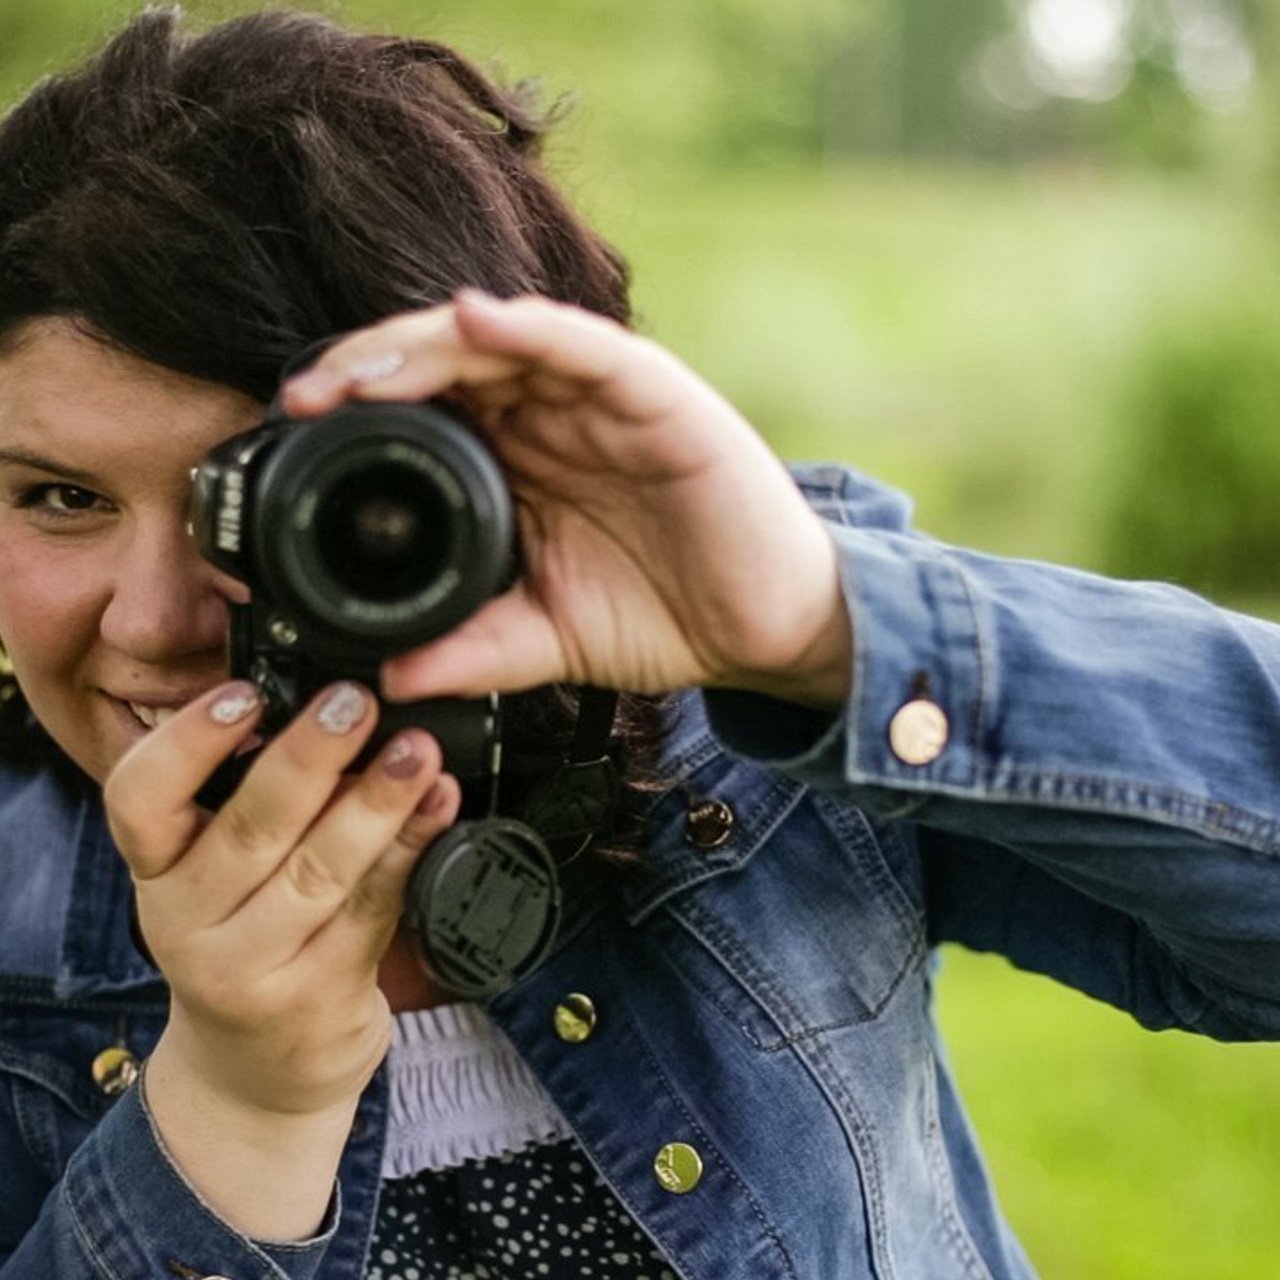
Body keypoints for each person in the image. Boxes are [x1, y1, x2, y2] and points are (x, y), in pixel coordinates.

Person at [0, 9, 1277, 1279]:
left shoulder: (745, 710)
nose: (153, 620)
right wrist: (232, 1113)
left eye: (267, 502)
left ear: (484, 460)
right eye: (59, 496)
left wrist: (823, 628)